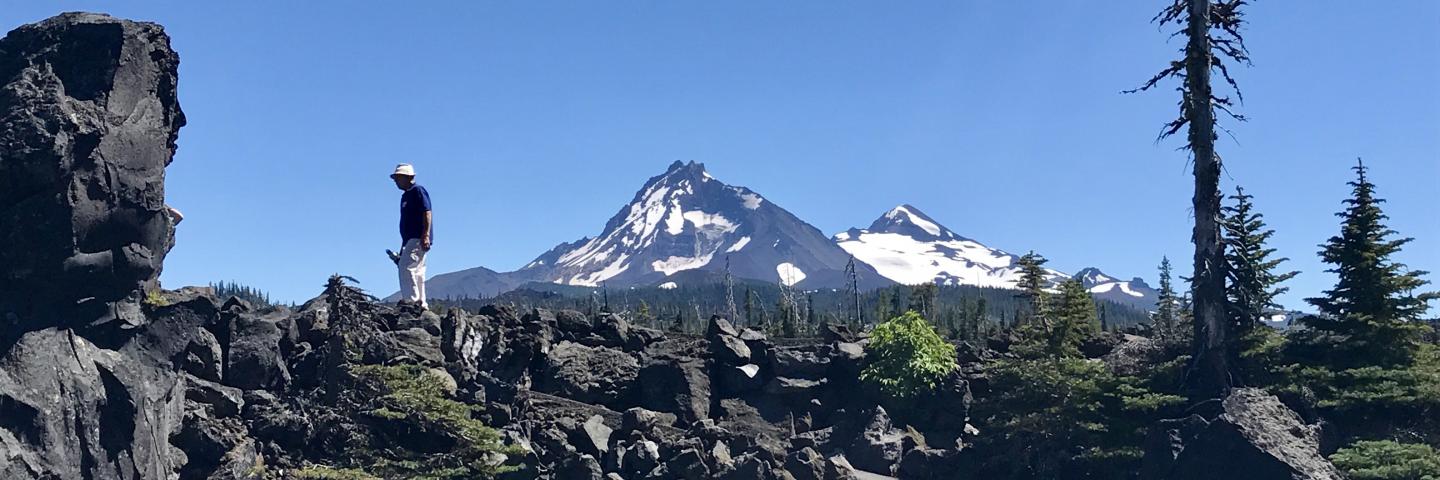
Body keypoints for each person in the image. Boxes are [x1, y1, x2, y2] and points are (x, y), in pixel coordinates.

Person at [391, 164, 432, 308]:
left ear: (408, 177)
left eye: (398, 178)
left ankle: (412, 301)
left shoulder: (417, 191)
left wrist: (425, 235)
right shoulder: (406, 195)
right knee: (418, 269)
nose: (396, 181)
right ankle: (421, 302)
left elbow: (427, 211)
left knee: (406, 267)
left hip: (417, 237)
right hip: (411, 238)